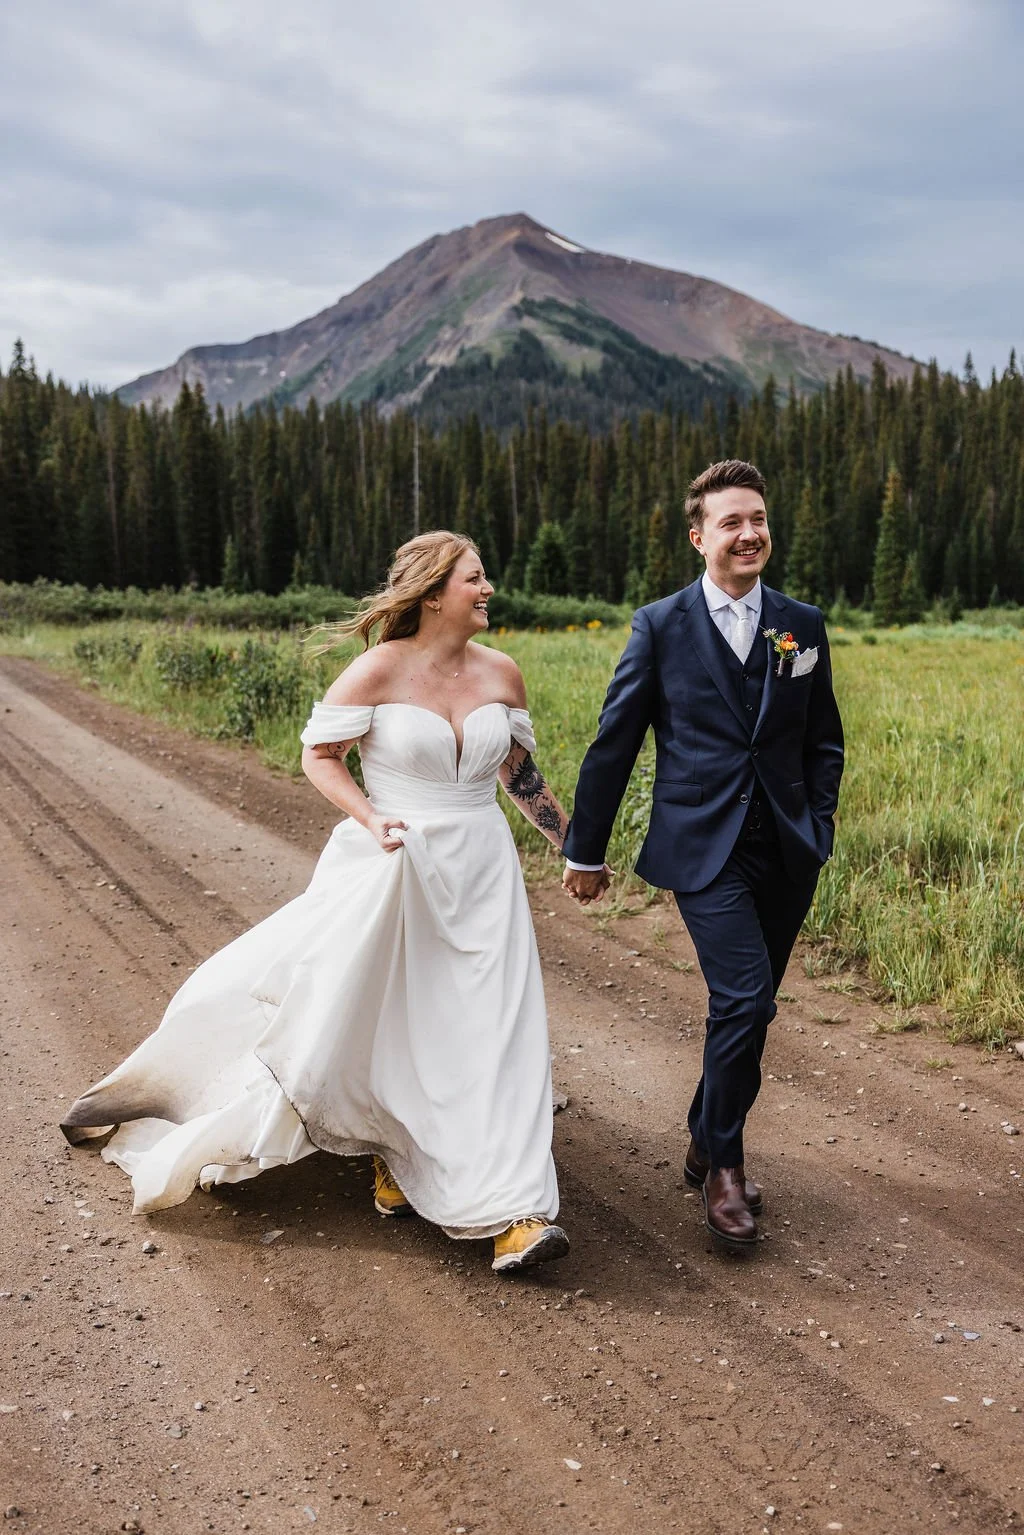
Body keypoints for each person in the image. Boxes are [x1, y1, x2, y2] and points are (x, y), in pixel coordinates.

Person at [62, 532, 572, 1275]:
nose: (488, 587)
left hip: (484, 871)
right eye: (475, 577)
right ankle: (418, 1164)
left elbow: (518, 770)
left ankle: (514, 1211)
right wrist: (370, 817)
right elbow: (319, 754)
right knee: (389, 1020)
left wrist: (571, 844)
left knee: (489, 1028)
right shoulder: (377, 670)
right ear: (433, 593)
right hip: (397, 861)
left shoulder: (502, 672)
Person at [562, 460, 844, 1252]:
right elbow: (614, 743)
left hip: (787, 849)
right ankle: (725, 1165)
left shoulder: (802, 624)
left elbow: (824, 739)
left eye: (758, 518)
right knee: (746, 999)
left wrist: (817, 825)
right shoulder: (660, 625)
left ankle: (701, 1132)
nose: (749, 532)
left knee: (752, 1010)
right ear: (699, 537)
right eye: (731, 521)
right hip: (702, 847)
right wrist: (586, 848)